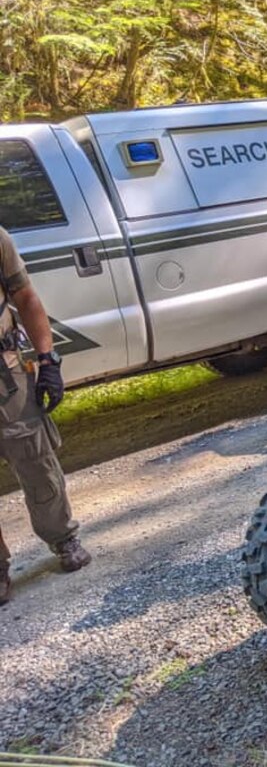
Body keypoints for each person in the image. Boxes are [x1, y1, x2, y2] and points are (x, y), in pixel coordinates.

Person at [0, 226, 91, 605]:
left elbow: (24, 296)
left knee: (37, 461)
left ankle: (63, 537)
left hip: (7, 377)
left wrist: (47, 360)